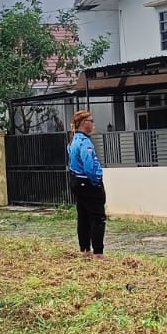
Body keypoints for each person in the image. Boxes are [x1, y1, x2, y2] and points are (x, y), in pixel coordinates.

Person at [66, 110, 106, 257]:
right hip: (87, 182)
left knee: (83, 217)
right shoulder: (84, 142)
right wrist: (96, 181)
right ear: (84, 123)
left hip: (76, 181)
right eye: (91, 120)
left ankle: (85, 250)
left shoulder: (73, 140)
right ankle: (98, 253)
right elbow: (89, 165)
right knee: (97, 218)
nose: (93, 124)